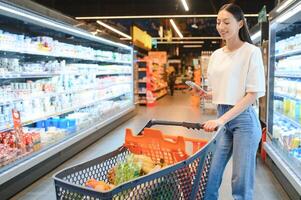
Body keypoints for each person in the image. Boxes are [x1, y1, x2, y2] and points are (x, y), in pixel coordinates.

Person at [200, 4, 265, 200]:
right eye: (218, 22)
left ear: (240, 24)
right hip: (223, 117)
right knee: (210, 175)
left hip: (244, 120)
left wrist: (221, 120)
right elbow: (226, 89)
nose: (221, 26)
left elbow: (252, 94)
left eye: (227, 22)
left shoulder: (251, 52)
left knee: (240, 181)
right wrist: (208, 94)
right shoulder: (217, 55)